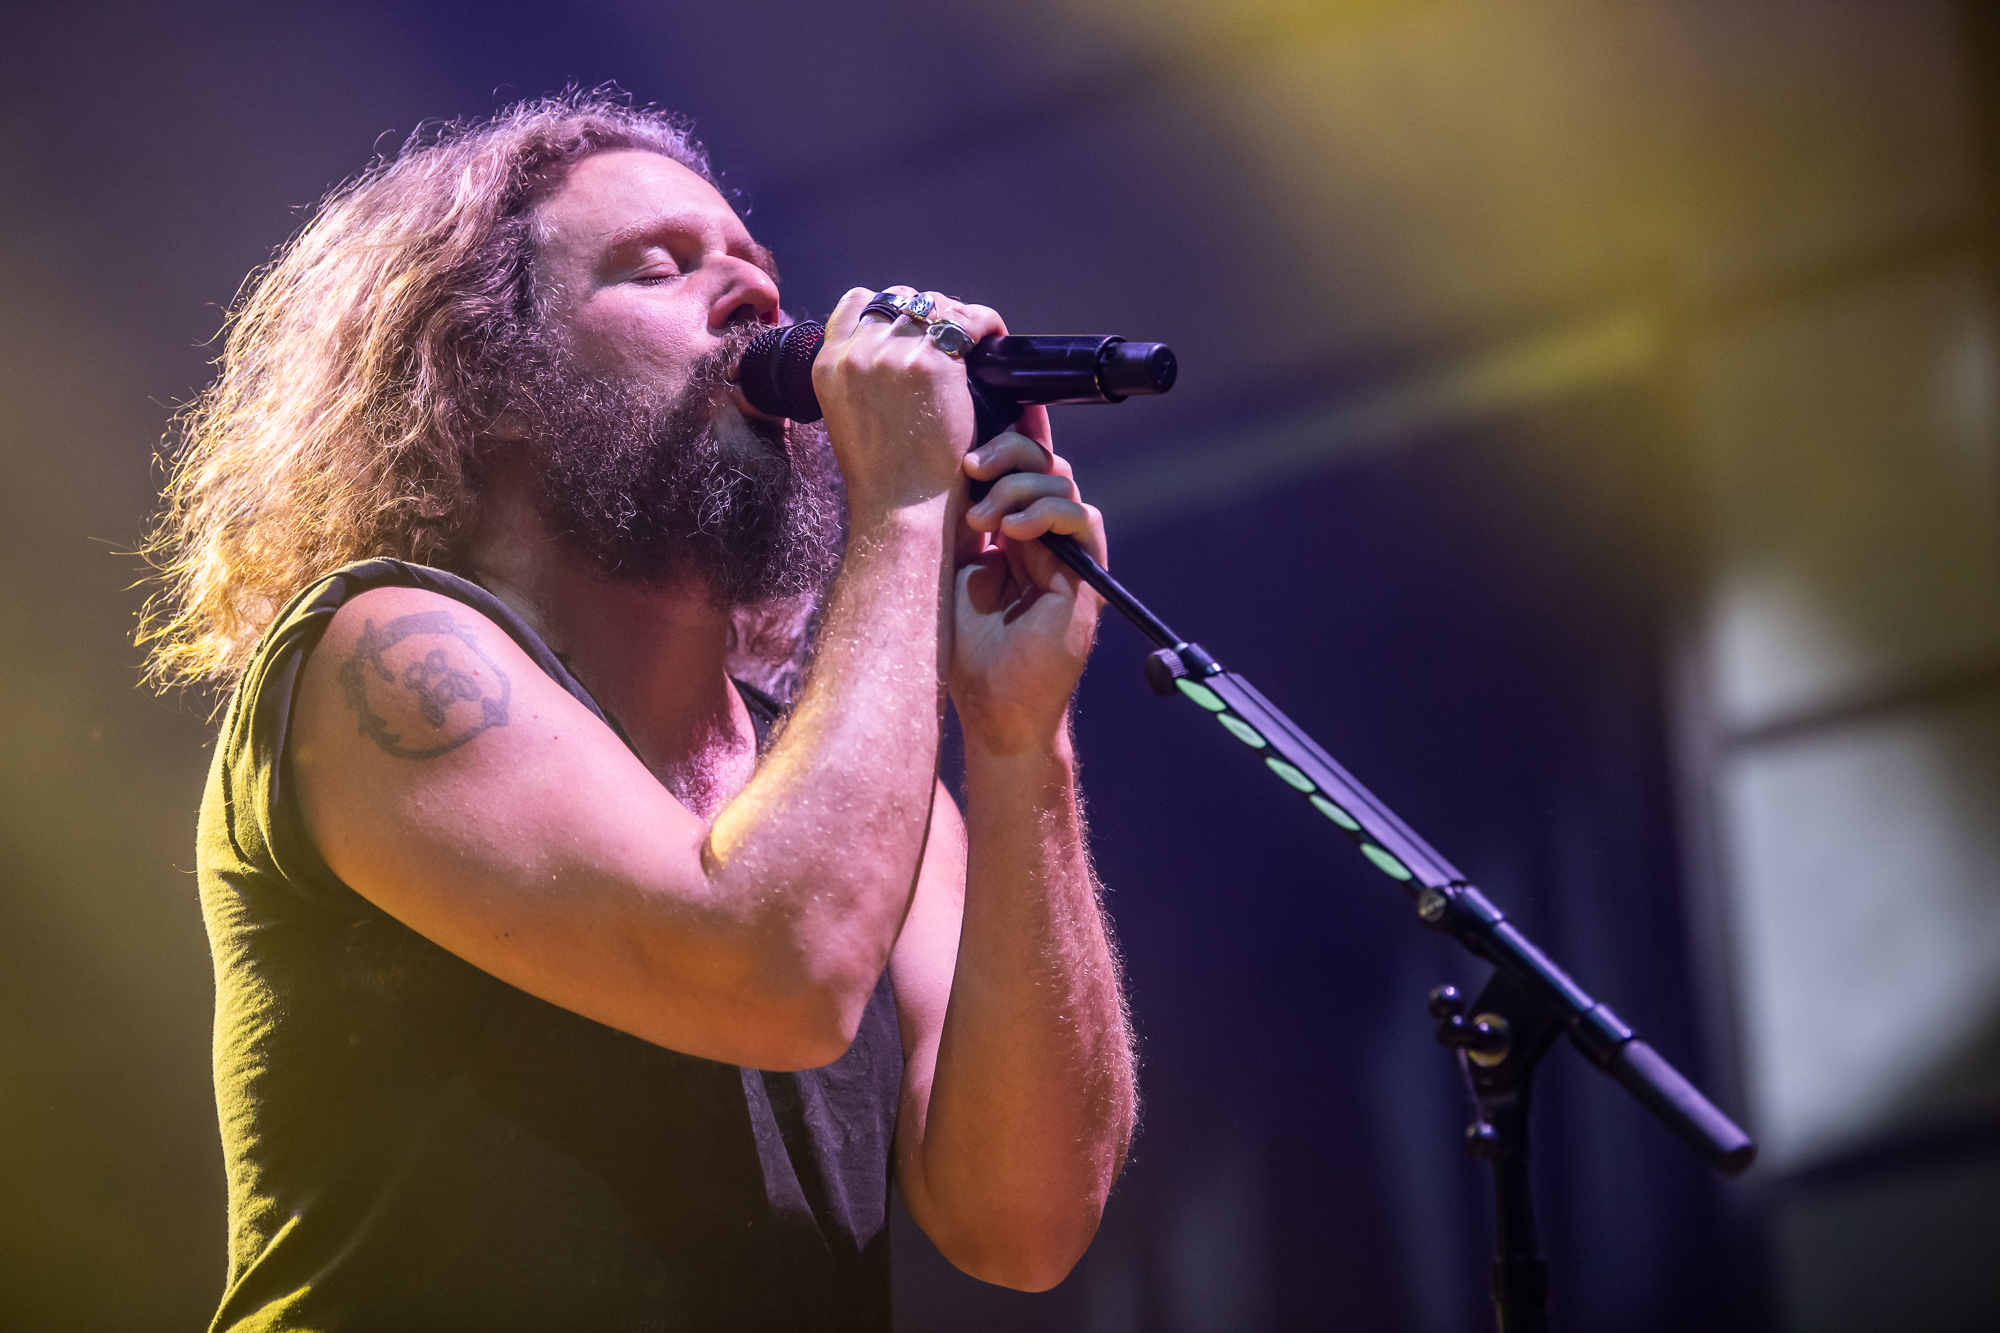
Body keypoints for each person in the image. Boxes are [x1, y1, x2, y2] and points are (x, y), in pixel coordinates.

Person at [142, 92, 1136, 1331]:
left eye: (758, 271)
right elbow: (772, 969)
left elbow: (1022, 1223)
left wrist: (1018, 736)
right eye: (657, 267)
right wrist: (899, 509)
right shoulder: (382, 652)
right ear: (488, 379)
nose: (753, 296)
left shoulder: (865, 803)